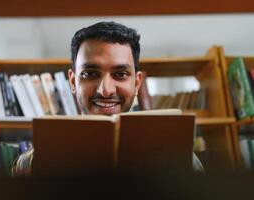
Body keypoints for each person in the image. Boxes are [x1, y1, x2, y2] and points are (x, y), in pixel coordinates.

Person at [13, 21, 203, 175]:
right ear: (72, 81)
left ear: (137, 83)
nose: (105, 90)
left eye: (120, 74)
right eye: (90, 73)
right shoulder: (32, 163)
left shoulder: (182, 159)